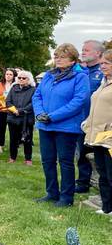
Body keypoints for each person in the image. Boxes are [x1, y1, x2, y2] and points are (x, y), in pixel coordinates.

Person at [32, 44, 90, 206]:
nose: (58, 59)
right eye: (56, 56)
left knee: (65, 162)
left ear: (72, 60)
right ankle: (52, 193)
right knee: (47, 161)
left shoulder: (80, 77)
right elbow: (37, 96)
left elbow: (79, 102)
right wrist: (39, 113)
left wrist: (52, 116)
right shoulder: (49, 76)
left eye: (62, 57)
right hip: (45, 125)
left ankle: (66, 197)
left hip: (66, 127)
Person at [82, 48, 112, 214]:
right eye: (101, 63)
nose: (102, 66)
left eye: (106, 63)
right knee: (103, 173)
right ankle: (107, 208)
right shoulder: (103, 83)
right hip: (98, 136)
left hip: (110, 138)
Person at [77, 40, 106, 193]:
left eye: (87, 50)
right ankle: (82, 183)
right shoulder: (81, 72)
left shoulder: (102, 73)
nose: (83, 52)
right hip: (82, 121)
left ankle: (103, 186)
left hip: (101, 123)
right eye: (82, 49)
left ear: (98, 53)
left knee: (101, 156)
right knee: (81, 153)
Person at [6, 70, 36, 165]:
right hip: (13, 117)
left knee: (27, 139)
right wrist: (14, 110)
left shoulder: (33, 90)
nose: (21, 79)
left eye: (24, 78)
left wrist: (20, 111)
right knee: (13, 139)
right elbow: (8, 101)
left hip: (26, 118)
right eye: (19, 78)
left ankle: (28, 159)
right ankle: (12, 157)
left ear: (29, 80)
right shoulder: (14, 88)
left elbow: (33, 104)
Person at [0, 68, 17, 154]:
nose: (8, 76)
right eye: (7, 74)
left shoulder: (16, 85)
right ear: (4, 75)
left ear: (13, 76)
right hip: (0, 111)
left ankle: (13, 148)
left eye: (10, 74)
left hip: (12, 111)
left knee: (13, 130)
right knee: (0, 130)